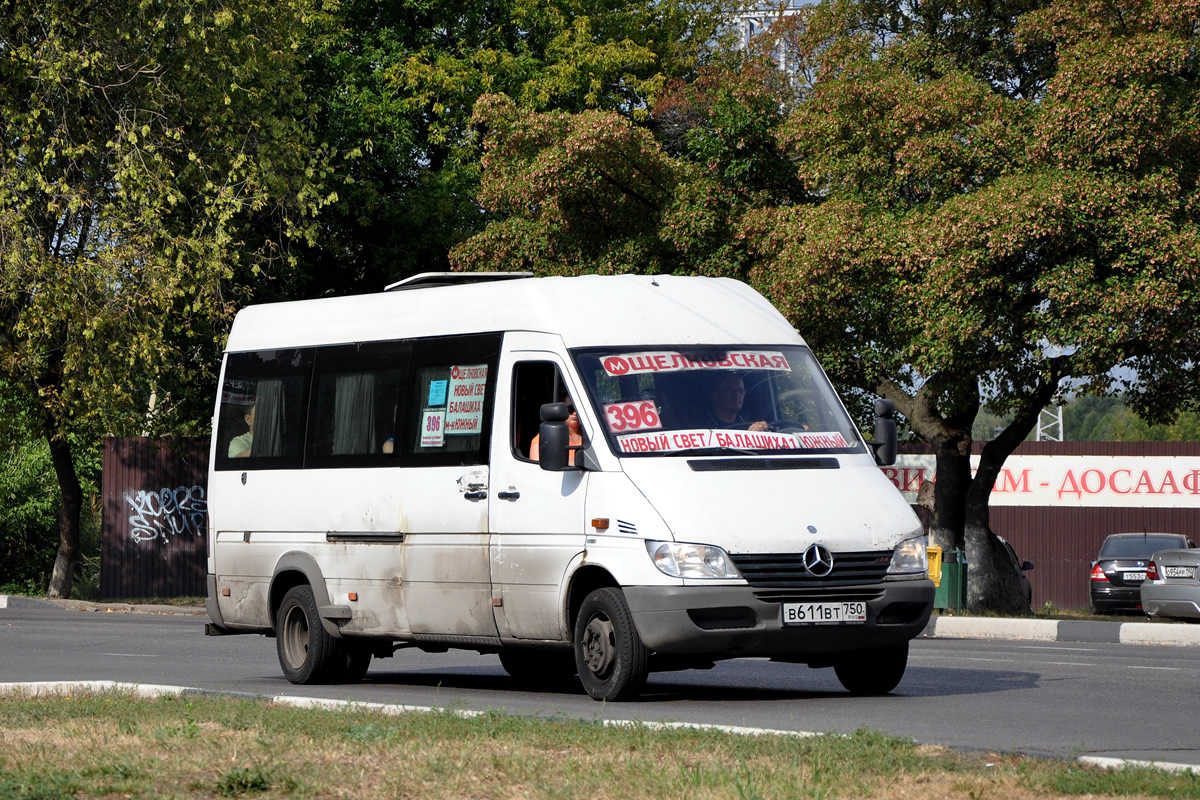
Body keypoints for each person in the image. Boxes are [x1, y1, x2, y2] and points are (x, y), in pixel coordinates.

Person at [530, 395, 583, 464]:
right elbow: (537, 470)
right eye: (570, 409)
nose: (575, 413)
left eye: (578, 409)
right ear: (560, 411)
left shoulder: (591, 435)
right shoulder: (544, 438)